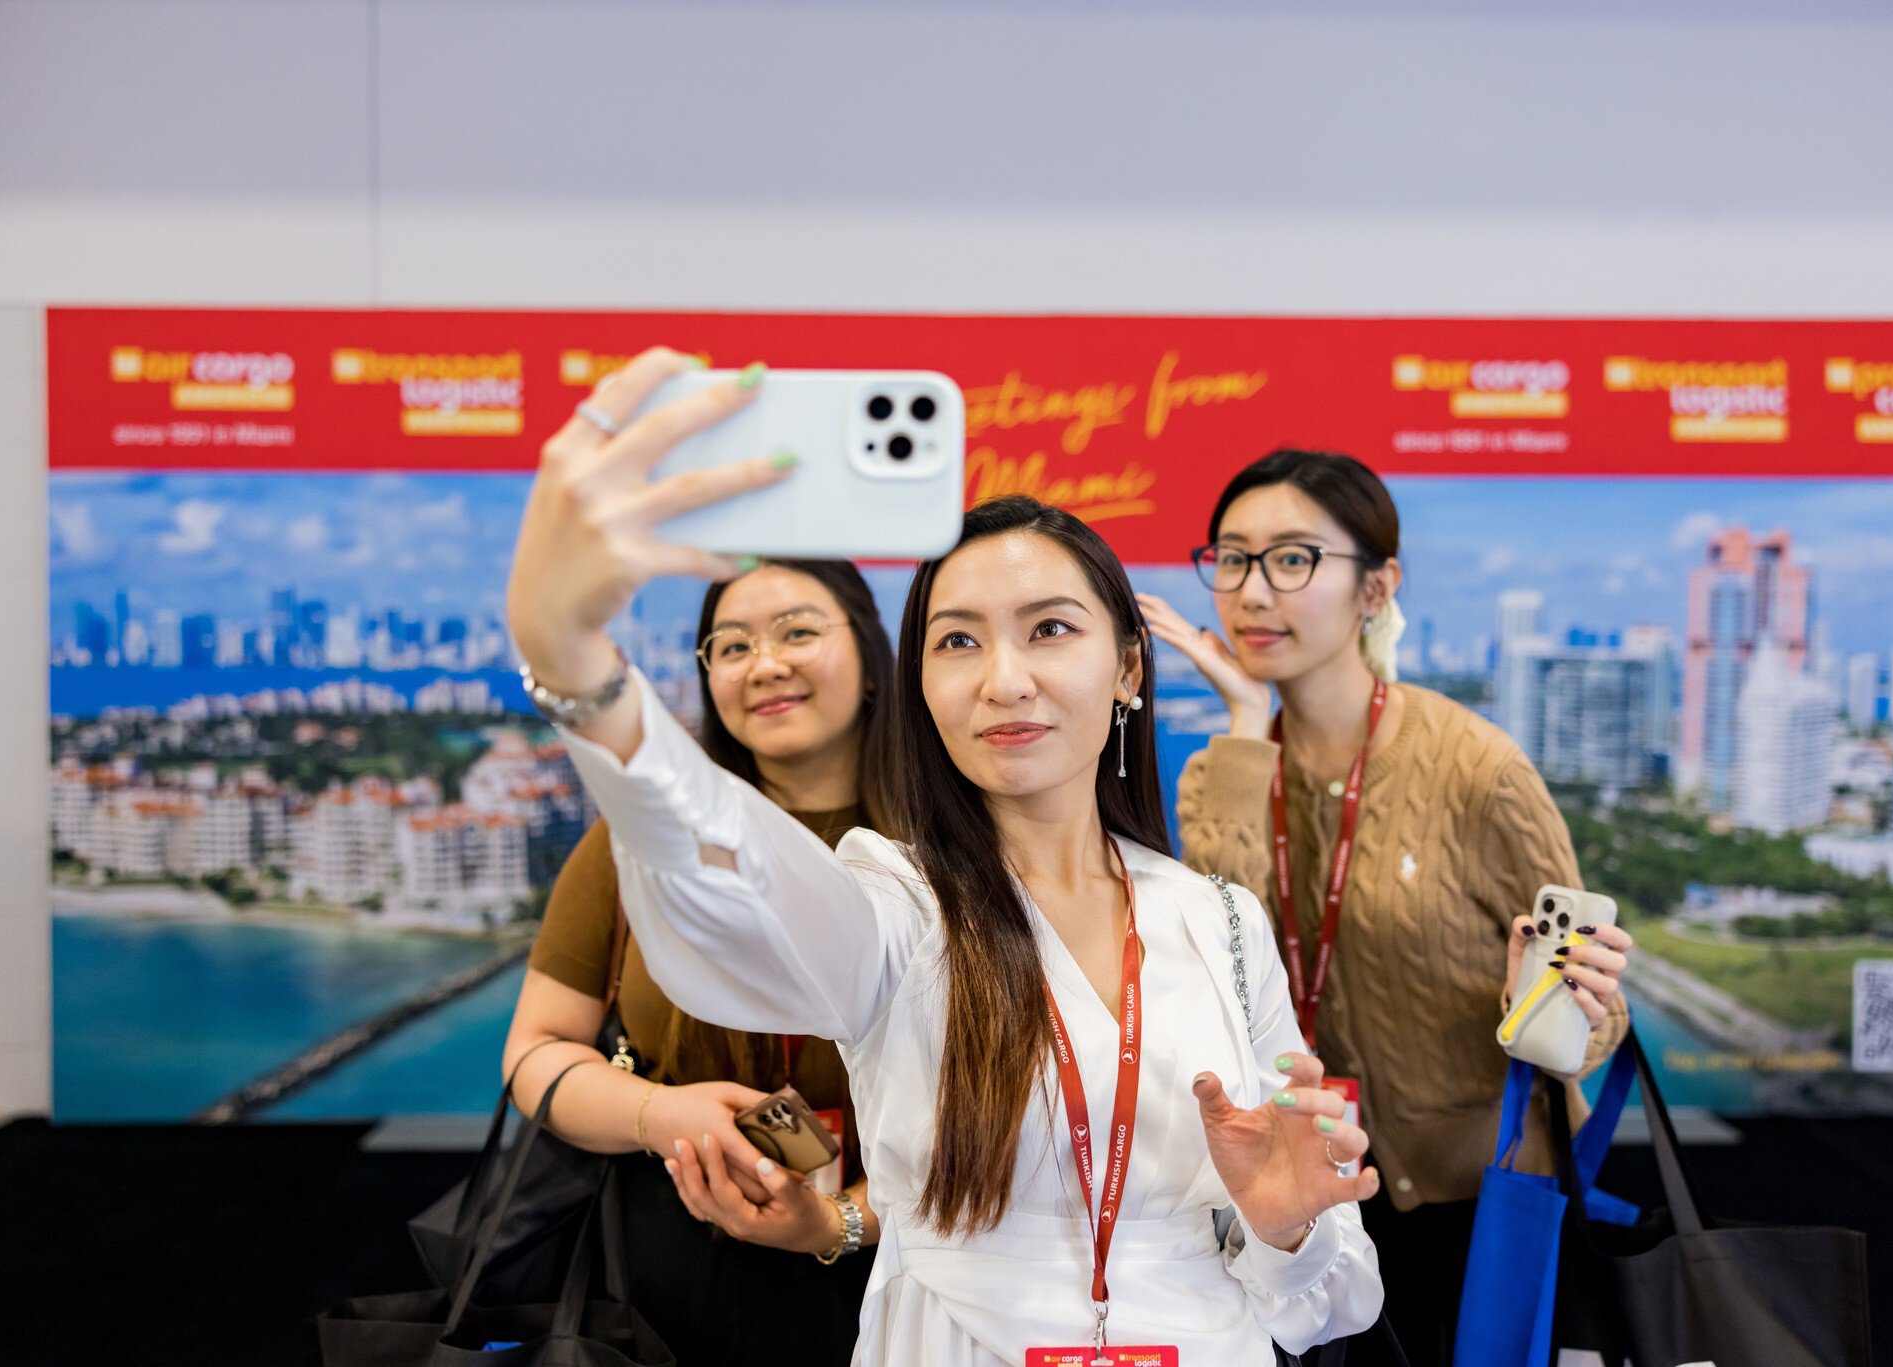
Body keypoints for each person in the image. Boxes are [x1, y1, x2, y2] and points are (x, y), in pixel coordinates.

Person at [503, 348, 1384, 1365]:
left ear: (1126, 664)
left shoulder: (1220, 922)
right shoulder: (894, 901)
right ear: (918, 682)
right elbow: (724, 886)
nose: (1003, 678)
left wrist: (1283, 1223)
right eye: (958, 641)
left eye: (1049, 628)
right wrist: (576, 664)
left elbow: (1326, 1304)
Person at [1139, 449, 1636, 1366]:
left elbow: (1595, 1023)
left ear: (1377, 586)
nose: (1253, 591)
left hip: (1484, 1200)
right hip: (1307, 1199)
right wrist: (1248, 722)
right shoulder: (1223, 773)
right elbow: (1225, 974)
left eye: (1293, 559)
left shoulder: (1476, 768)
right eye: (1234, 558)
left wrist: (1554, 1003)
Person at [502, 550, 896, 1367]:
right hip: (657, 1267)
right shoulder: (644, 840)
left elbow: (1009, 1123)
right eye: (733, 644)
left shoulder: (952, 850)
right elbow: (534, 1051)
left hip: (892, 1270)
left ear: (868, 656)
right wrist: (658, 1114)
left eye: (798, 632)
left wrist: (843, 1219)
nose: (767, 664)